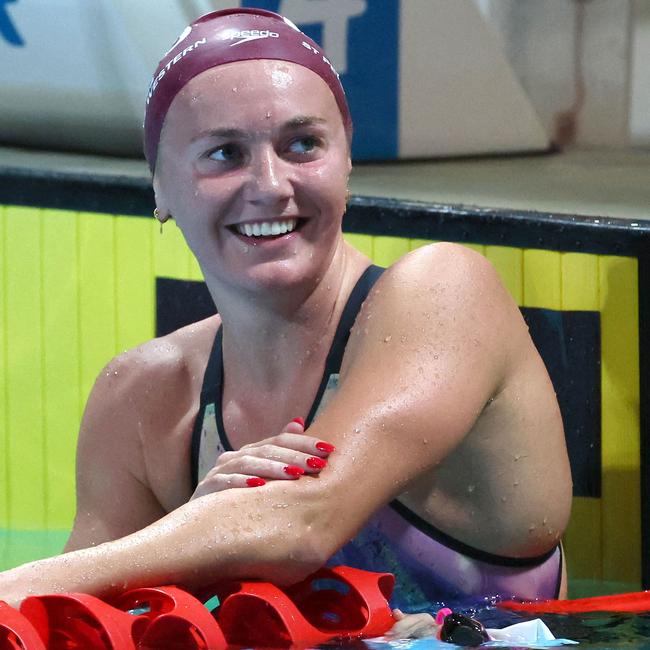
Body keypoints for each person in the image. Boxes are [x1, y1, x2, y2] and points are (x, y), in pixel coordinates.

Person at [0, 7, 572, 625]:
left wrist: (191, 535)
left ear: (346, 160)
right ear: (160, 189)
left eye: (303, 144)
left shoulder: (445, 295)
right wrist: (194, 542)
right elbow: (62, 622)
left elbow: (306, 520)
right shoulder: (143, 400)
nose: (271, 185)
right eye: (224, 153)